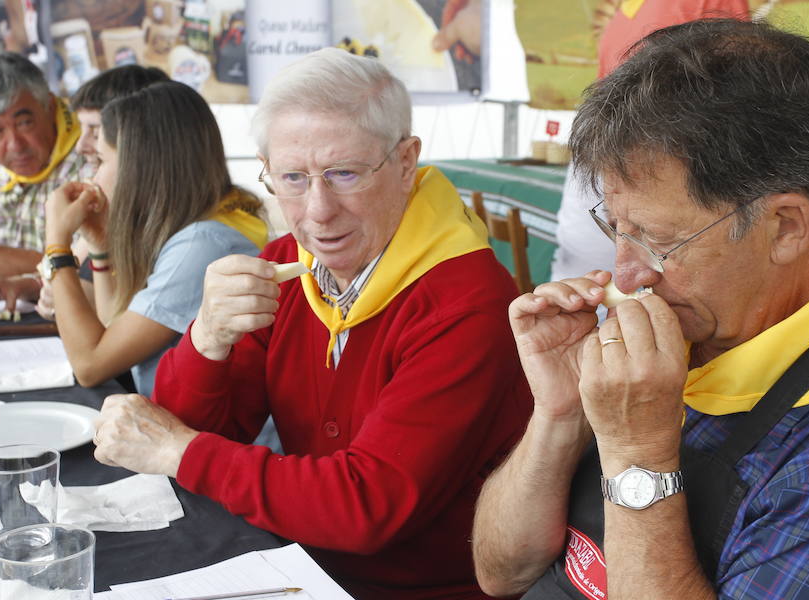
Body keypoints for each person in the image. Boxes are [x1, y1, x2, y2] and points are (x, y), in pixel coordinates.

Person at [91, 48, 532, 600]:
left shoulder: (465, 301)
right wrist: (207, 338)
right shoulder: (287, 264)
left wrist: (178, 450)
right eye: (293, 178)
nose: (319, 211)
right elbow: (198, 428)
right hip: (300, 563)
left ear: (404, 162)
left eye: (344, 173)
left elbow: (367, 506)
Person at [473, 18, 809, 600]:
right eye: (616, 228)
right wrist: (560, 415)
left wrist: (637, 454)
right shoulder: (688, 312)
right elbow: (500, 572)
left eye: (659, 240)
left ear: (786, 227)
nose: (626, 274)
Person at [43, 81, 267, 397]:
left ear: (137, 168)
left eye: (102, 162)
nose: (94, 178)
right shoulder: (188, 233)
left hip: (212, 440)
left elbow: (91, 365)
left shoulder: (201, 245)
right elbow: (114, 329)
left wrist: (57, 244)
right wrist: (100, 249)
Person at [550, 0, 749, 284]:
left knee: (640, 276)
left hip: (659, 157)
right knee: (588, 271)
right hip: (609, 149)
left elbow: (733, 84)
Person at [0, 64, 170, 321]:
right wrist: (35, 285)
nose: (83, 146)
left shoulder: (104, 182)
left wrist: (57, 242)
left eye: (96, 131)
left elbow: (99, 349)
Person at [0, 52, 89, 276]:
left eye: (24, 123)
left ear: (50, 107)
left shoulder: (91, 158)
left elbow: (87, 269)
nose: (14, 145)